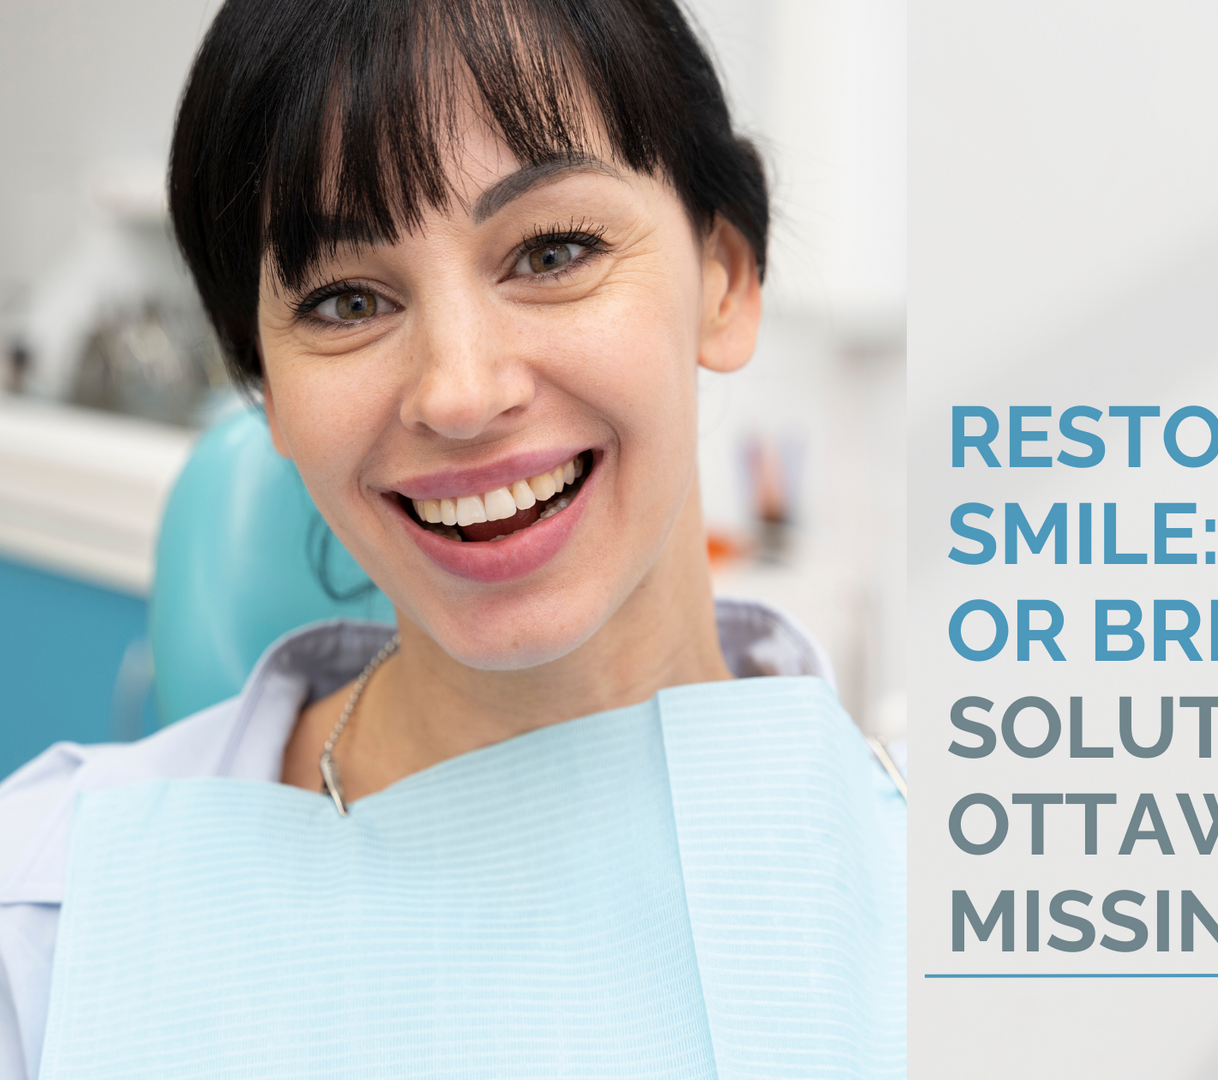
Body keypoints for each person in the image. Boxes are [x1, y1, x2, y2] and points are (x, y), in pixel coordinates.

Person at [0, 0, 905, 1076]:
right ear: (267, 389)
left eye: (552, 249)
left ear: (725, 277)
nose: (460, 393)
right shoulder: (53, 919)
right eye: (344, 302)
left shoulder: (962, 917)